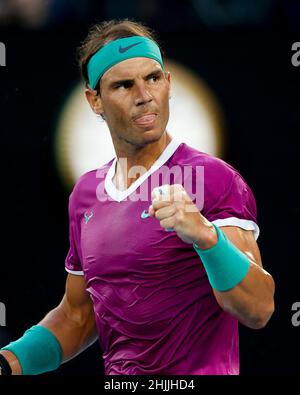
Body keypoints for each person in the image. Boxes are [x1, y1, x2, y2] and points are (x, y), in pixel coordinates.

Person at [0, 19, 275, 376]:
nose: (144, 95)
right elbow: (78, 316)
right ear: (94, 100)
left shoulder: (215, 179)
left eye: (154, 78)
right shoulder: (85, 194)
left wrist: (207, 237)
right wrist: (8, 362)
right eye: (124, 85)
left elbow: (259, 308)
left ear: (169, 83)